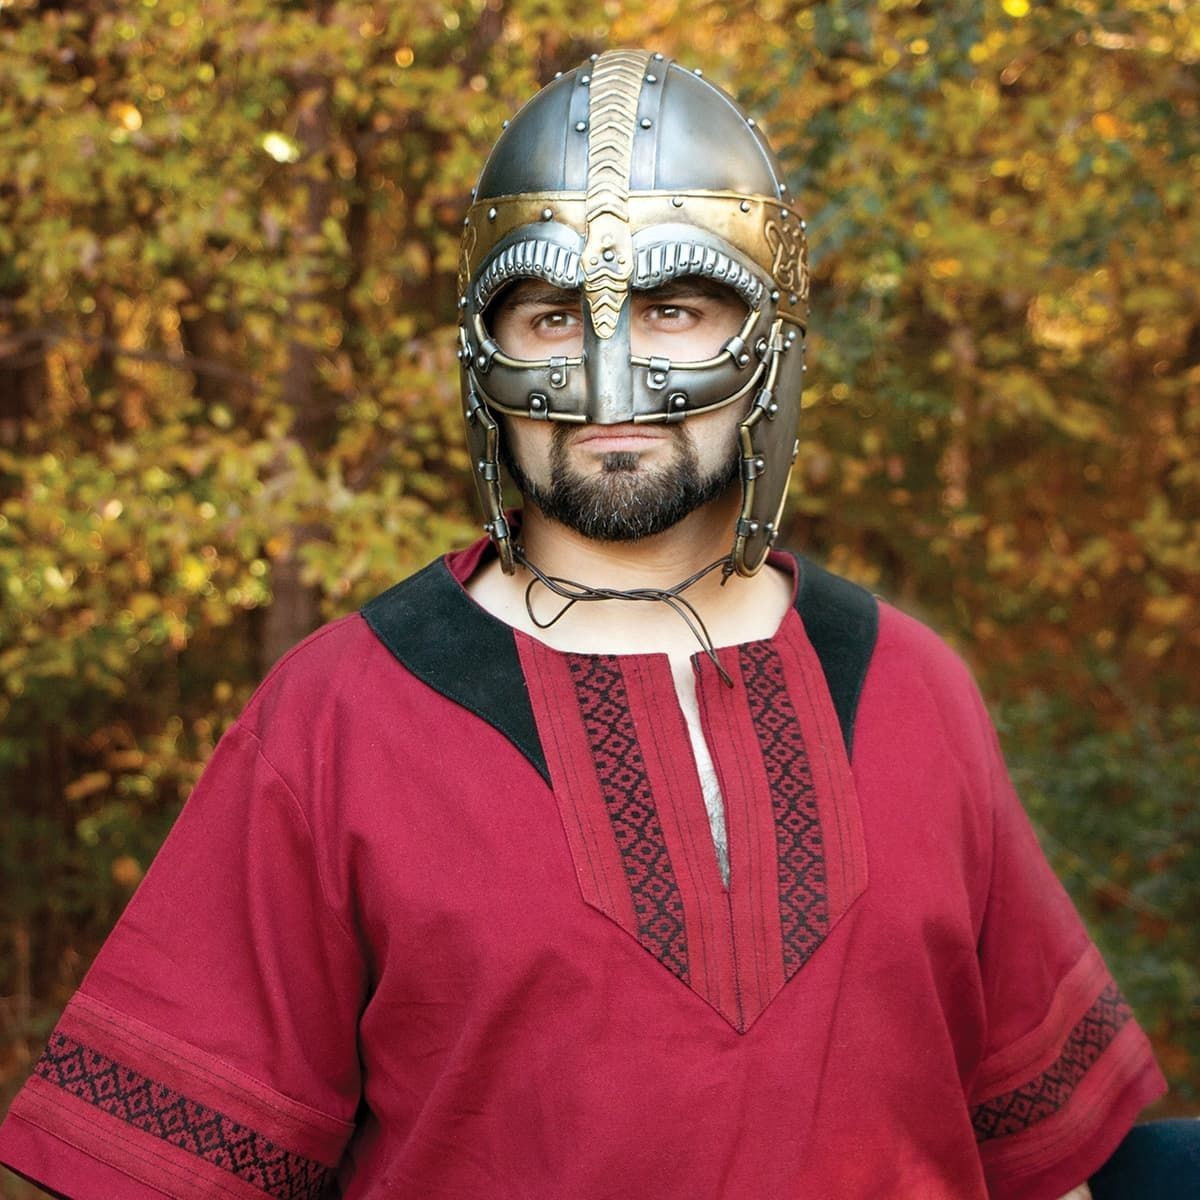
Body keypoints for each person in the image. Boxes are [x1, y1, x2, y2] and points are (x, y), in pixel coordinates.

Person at [0, 50, 1167, 1200]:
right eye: (554, 315)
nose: (611, 379)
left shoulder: (914, 686)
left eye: (673, 308)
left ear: (769, 340)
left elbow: (1038, 1164)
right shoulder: (337, 714)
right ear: (484, 351)